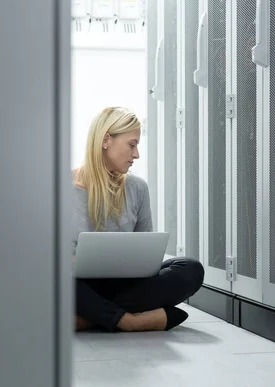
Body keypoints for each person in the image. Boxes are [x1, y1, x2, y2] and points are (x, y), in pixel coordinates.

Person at [72, 106, 205, 332]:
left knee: (190, 268)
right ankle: (130, 321)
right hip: (77, 285)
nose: (136, 155)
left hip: (124, 285)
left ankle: (89, 317)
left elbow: (147, 256)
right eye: (132, 145)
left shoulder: (137, 188)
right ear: (106, 140)